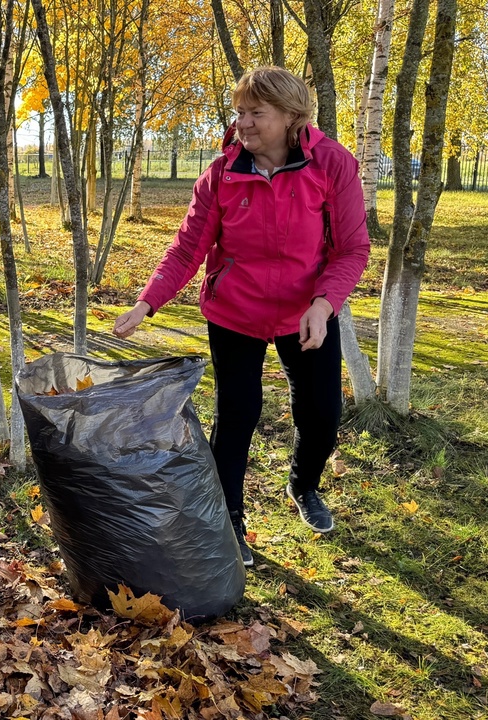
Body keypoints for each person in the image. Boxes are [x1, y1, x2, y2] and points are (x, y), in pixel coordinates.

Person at [113, 67, 370, 567]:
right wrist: (148, 302)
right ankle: (229, 516)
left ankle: (304, 485)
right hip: (236, 309)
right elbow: (188, 248)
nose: (243, 123)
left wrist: (324, 303)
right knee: (238, 413)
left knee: (322, 414)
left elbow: (352, 249)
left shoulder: (333, 164)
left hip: (308, 311)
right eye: (240, 112)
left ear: (293, 116)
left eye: (257, 113)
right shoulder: (222, 174)